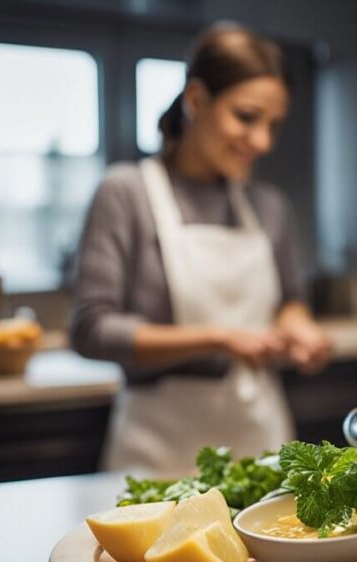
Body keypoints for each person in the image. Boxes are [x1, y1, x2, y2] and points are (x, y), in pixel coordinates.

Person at [70, 24, 331, 473]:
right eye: (246, 117)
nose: (262, 141)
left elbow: (290, 300)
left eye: (273, 125)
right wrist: (221, 338)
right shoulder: (126, 192)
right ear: (195, 101)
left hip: (260, 442)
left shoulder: (267, 205)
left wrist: (300, 328)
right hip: (158, 454)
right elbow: (92, 330)